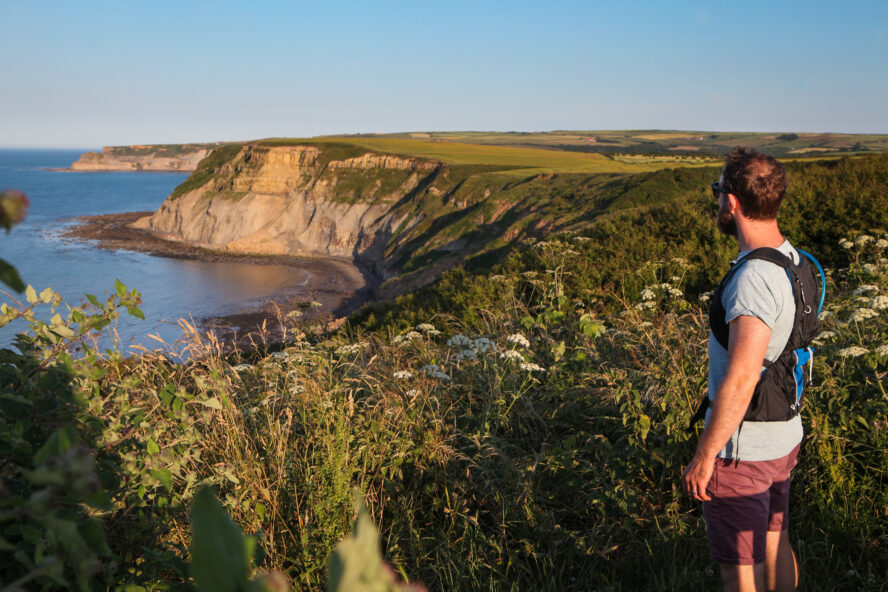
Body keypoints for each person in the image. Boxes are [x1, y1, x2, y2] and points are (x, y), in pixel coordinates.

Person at [683, 147, 803, 592]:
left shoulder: (753, 279)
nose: (716, 200)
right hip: (783, 435)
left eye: (718, 191)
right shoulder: (793, 259)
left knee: (740, 568)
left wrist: (704, 456)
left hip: (744, 448)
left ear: (731, 202)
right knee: (775, 543)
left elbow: (740, 378)